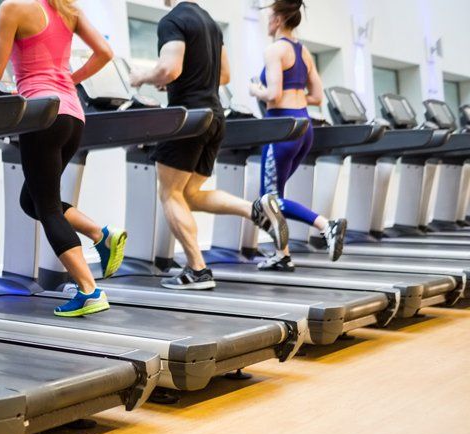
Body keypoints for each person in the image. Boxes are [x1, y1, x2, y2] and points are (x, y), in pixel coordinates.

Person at [0, 0, 126, 317]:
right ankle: (99, 234)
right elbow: (105, 52)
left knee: (47, 207)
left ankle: (89, 290)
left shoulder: (14, 7)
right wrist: (68, 81)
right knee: (31, 201)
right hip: (73, 116)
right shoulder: (66, 7)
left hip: (42, 116)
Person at [129, 0, 289, 290]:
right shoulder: (210, 23)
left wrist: (141, 77)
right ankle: (254, 209)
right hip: (214, 116)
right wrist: (186, 77)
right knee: (189, 193)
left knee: (170, 193)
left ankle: (198, 270)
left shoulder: (173, 20)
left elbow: (168, 69)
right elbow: (224, 76)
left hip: (187, 117)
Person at [249, 0, 346, 271]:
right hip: (304, 128)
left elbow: (273, 94)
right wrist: (295, 94)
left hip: (281, 128)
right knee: (275, 196)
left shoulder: (274, 50)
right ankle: (283, 254)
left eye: (269, 16)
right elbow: (316, 96)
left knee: (267, 199)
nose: (267, 22)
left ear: (279, 19)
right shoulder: (304, 53)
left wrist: (255, 90)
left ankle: (327, 225)